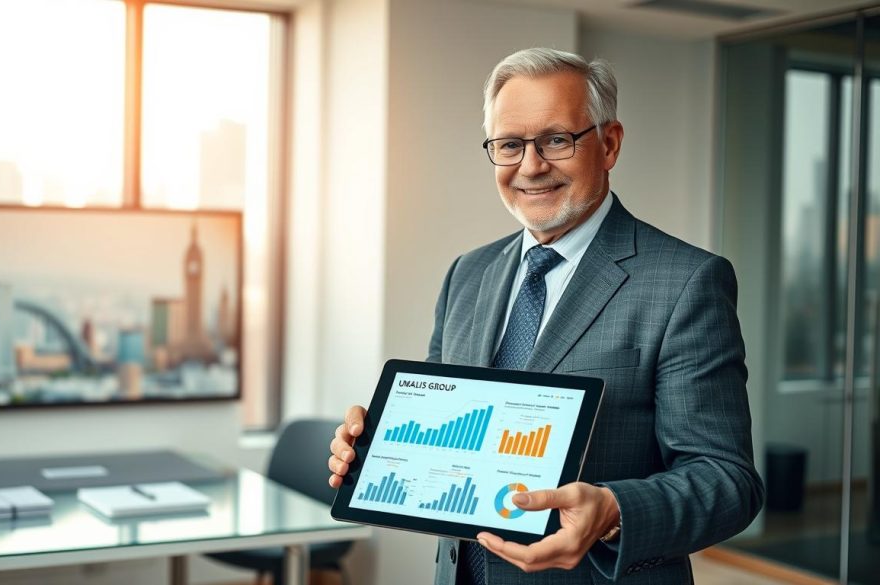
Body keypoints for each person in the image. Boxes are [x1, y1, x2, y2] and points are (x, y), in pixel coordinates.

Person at [326, 47, 764, 584]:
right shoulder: (468, 272)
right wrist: (377, 448)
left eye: (557, 140)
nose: (531, 166)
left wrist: (613, 510)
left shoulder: (686, 282)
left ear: (609, 144)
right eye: (510, 145)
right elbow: (448, 431)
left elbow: (728, 480)